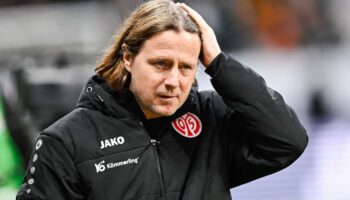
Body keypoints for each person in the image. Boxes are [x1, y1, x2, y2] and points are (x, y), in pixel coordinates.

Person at [16, 0, 308, 199]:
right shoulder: (65, 141)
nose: (173, 81)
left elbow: (287, 141)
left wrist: (219, 63)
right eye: (160, 64)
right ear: (128, 57)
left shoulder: (211, 118)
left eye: (186, 67)